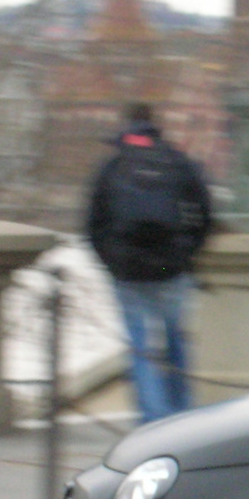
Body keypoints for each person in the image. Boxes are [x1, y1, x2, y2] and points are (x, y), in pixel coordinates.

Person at [86, 103, 213, 423]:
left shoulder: (113, 166)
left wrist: (111, 262)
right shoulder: (177, 161)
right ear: (155, 126)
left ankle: (151, 418)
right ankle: (181, 413)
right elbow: (205, 214)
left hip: (128, 269)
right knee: (174, 342)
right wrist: (188, 254)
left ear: (127, 126)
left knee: (140, 348)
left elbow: (92, 224)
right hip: (172, 266)